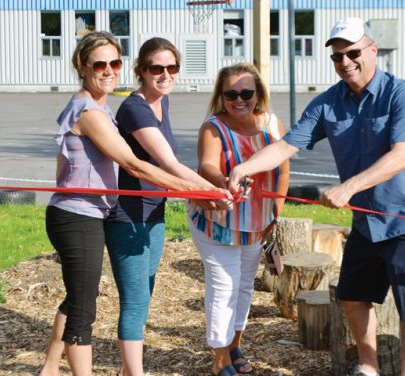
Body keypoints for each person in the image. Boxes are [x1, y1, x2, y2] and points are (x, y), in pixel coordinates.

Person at [227, 18, 405, 376]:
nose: (345, 62)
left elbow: (401, 156)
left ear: (373, 50)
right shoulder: (328, 103)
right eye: (337, 56)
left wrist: (349, 187)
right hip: (367, 220)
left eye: (353, 52)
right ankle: (368, 366)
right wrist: (243, 169)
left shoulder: (403, 93)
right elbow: (285, 146)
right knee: (354, 297)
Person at [39, 32, 223, 376]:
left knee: (79, 295)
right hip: (77, 215)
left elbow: (66, 163)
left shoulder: (100, 106)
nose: (109, 70)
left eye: (114, 63)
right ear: (81, 67)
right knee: (84, 307)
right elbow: (134, 165)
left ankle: (49, 368)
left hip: (90, 212)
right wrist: (198, 191)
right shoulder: (90, 111)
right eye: (100, 64)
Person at [103, 37, 232, 376]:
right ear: (141, 71)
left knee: (145, 288)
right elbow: (169, 164)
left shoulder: (162, 103)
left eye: (171, 67)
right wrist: (211, 191)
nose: (165, 74)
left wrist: (214, 189)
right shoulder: (134, 108)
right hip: (126, 218)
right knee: (135, 302)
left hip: (153, 213)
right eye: (156, 68)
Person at [187, 62, 290, 376]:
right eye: (230, 93)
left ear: (258, 94)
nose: (239, 99)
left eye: (246, 92)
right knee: (224, 287)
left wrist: (277, 212)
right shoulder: (213, 127)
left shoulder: (272, 124)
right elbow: (207, 166)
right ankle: (220, 359)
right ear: (221, 95)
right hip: (218, 221)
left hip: (257, 221)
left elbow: (283, 168)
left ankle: (234, 344)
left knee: (244, 285)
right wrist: (225, 180)